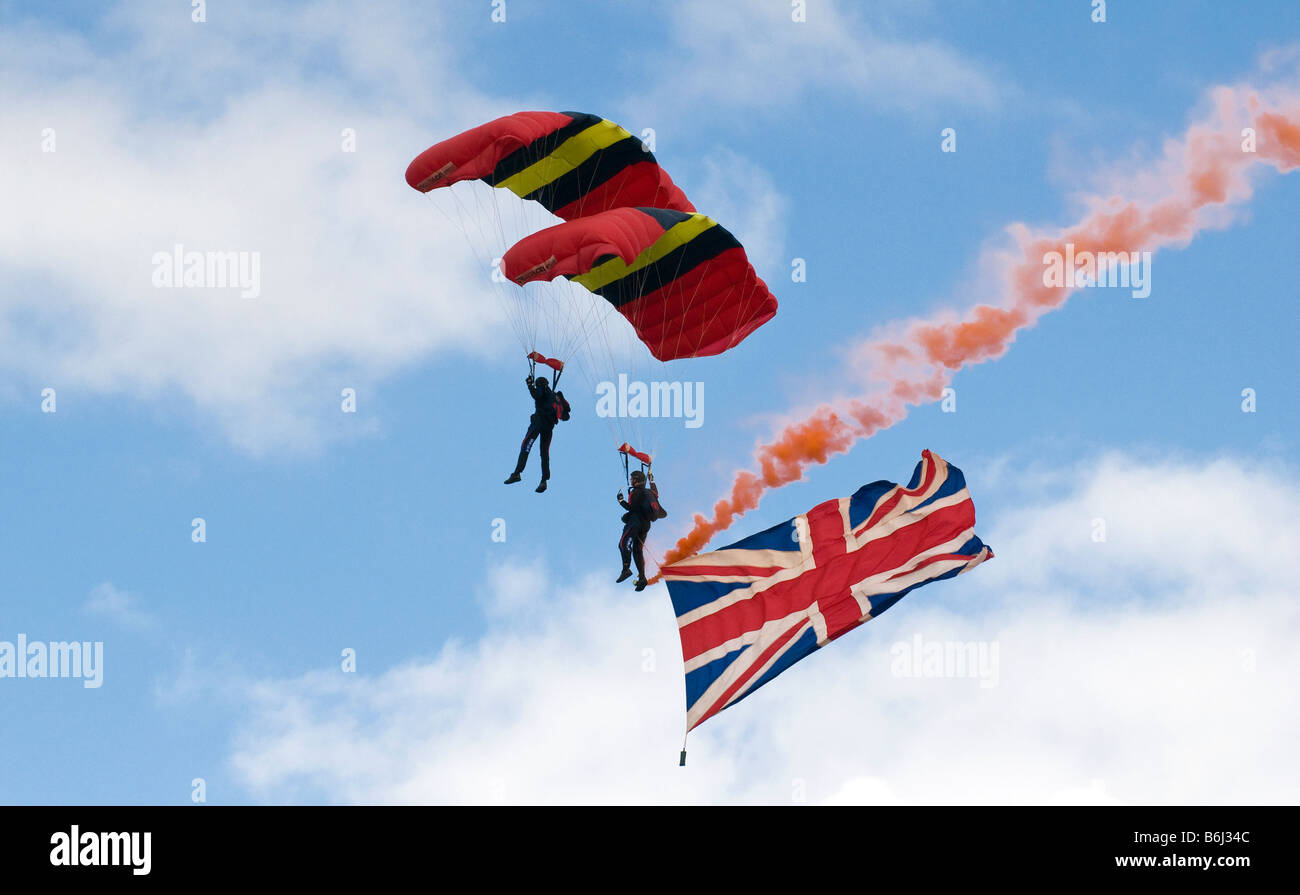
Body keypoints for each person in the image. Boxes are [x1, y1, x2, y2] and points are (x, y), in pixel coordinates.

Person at [504, 374, 557, 492]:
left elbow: (537, 395)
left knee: (526, 445)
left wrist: (529, 385)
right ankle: (544, 480)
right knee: (544, 453)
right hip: (548, 427)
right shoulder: (553, 395)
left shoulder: (541, 388)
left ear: (540, 384)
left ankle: (517, 473)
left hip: (538, 424)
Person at [617, 469, 658, 591]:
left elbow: (632, 508)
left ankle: (626, 569)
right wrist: (652, 479)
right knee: (637, 550)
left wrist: (621, 501)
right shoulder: (649, 492)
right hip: (646, 525)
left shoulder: (637, 492)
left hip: (636, 522)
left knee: (623, 543)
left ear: (636, 480)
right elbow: (656, 492)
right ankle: (642, 578)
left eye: (632, 479)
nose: (630, 481)